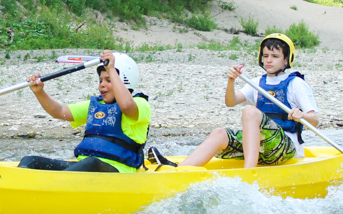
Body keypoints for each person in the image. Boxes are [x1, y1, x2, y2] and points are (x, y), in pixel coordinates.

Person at [178, 33, 319, 170]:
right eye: (266, 56)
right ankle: (180, 170)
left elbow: (314, 120)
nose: (269, 60)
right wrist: (231, 80)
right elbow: (231, 102)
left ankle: (248, 172)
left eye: (275, 56)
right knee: (219, 133)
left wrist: (302, 115)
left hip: (286, 148)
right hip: (261, 147)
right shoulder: (256, 83)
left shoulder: (296, 84)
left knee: (250, 111)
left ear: (286, 60)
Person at [18, 50, 151, 173]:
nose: (102, 84)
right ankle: (21, 182)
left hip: (118, 172)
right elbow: (59, 111)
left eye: (109, 80)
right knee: (30, 160)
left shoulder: (140, 104)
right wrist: (39, 92)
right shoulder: (95, 106)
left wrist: (111, 68)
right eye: (100, 80)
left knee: (92, 163)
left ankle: (54, 185)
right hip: (85, 169)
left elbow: (126, 106)